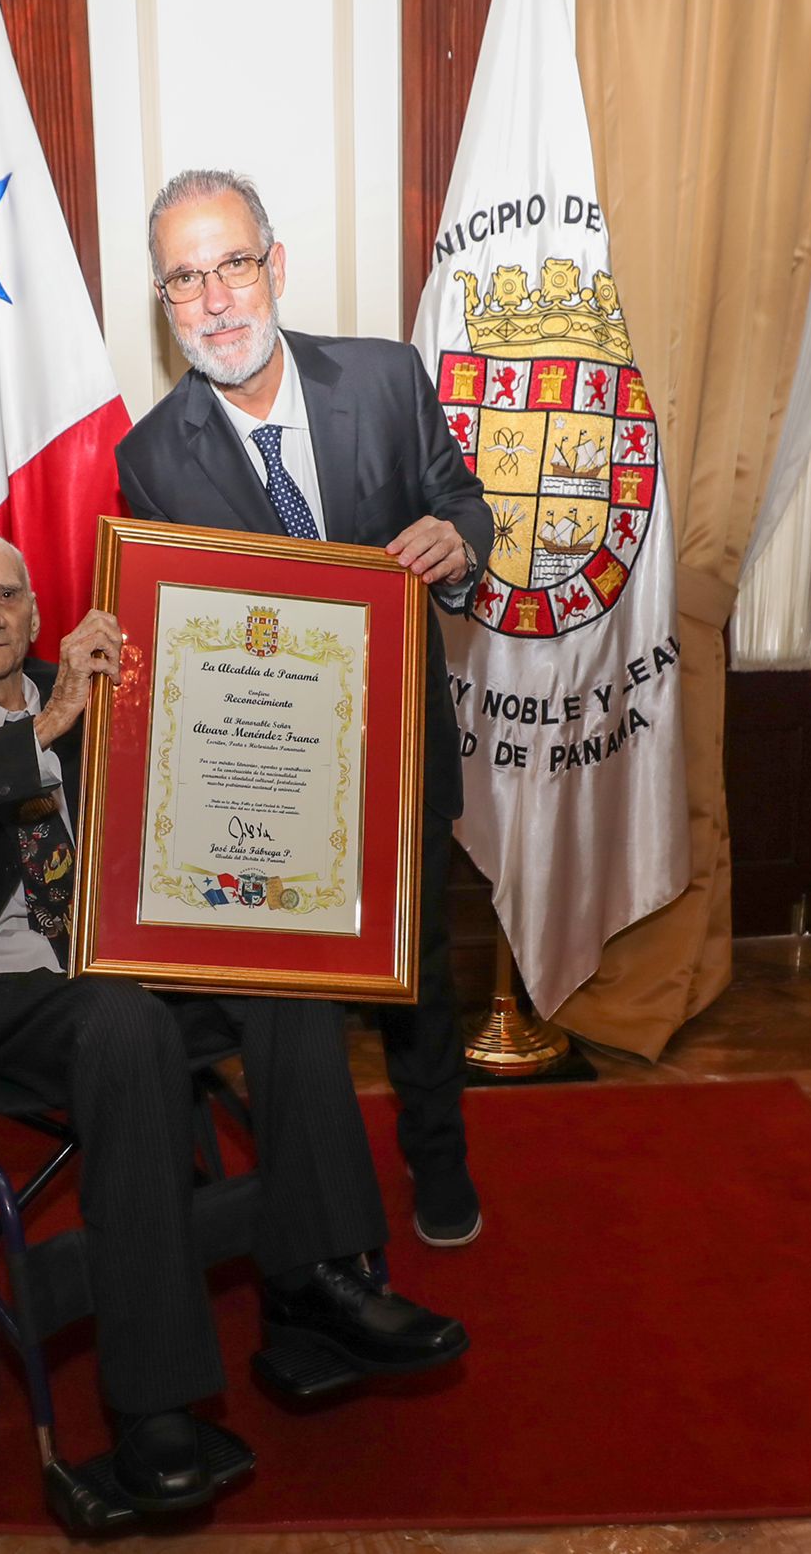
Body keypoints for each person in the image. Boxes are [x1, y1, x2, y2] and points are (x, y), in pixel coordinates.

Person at [0, 527, 467, 1515]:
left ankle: (318, 1274)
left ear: (36, 609)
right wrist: (45, 727)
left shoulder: (98, 676)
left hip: (125, 951)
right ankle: (153, 1404)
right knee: (125, 1023)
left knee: (288, 974)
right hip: (5, 991)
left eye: (6, 595)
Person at [116, 169, 494, 1249]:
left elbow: (459, 496)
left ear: (274, 266)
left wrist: (458, 539)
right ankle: (321, 1202)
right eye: (185, 280)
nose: (217, 298)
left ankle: (437, 1158)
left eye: (233, 264)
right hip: (262, 773)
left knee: (418, 969)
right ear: (165, 304)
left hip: (401, 746)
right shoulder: (147, 458)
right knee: (293, 1000)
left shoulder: (382, 379)